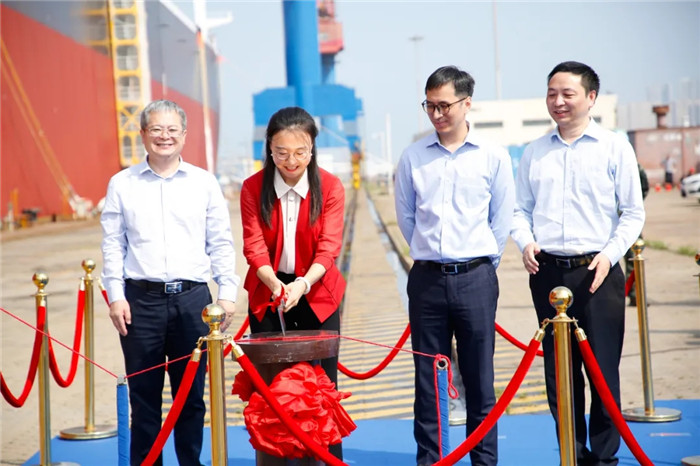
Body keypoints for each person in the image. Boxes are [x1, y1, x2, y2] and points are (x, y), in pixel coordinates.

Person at [511, 61, 645, 465]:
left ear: (591, 97)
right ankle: (572, 454)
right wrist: (525, 241)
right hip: (548, 274)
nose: (558, 101)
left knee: (602, 372)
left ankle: (604, 458)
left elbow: (632, 212)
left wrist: (609, 255)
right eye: (552, 93)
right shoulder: (535, 151)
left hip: (597, 273)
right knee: (559, 375)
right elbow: (519, 210)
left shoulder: (614, 146)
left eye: (567, 93)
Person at [101, 99, 240, 466]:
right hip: (140, 303)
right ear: (143, 134)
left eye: (172, 129)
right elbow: (113, 245)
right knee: (144, 398)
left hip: (193, 302)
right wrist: (115, 296)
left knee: (191, 398)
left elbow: (221, 242)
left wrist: (227, 294)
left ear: (184, 135)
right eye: (156, 129)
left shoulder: (204, 183)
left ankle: (190, 462)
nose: (165, 136)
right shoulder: (122, 184)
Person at [394, 65, 515, 466]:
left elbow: (501, 218)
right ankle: (431, 459)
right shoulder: (413, 157)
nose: (437, 113)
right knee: (428, 381)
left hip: (476, 278)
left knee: (480, 380)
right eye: (430, 105)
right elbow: (407, 217)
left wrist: (482, 262)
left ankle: (484, 460)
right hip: (427, 280)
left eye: (444, 105)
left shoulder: (492, 156)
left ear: (466, 103)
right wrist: (430, 252)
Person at [239, 106, 346, 460]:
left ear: (312, 149)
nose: (291, 161)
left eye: (301, 152)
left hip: (316, 292)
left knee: (321, 389)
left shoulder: (330, 187)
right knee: (272, 390)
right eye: (281, 152)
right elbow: (254, 246)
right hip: (269, 292)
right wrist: (275, 283)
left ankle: (326, 459)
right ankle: (276, 459)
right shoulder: (252, 188)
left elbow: (329, 247)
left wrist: (302, 284)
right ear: (269, 149)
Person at [625, 163, 649, 306]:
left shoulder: (633, 165)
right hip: (608, 220)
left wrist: (635, 205)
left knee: (635, 258)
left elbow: (644, 187)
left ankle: (635, 295)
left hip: (627, 219)